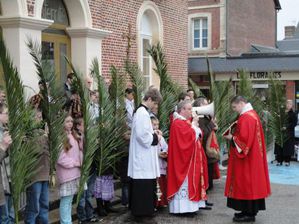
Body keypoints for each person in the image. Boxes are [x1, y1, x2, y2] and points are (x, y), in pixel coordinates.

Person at [223, 96, 271, 223]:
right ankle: (247, 211)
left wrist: (231, 138)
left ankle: (249, 213)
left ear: (241, 103)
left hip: (247, 160)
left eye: (234, 107)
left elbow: (244, 140)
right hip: (253, 157)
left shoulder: (246, 117)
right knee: (250, 184)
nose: (234, 110)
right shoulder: (252, 114)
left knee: (247, 184)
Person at [127, 88, 163, 223]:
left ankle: (145, 212)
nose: (155, 106)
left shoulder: (142, 112)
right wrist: (156, 137)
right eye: (155, 103)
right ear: (149, 99)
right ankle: (142, 214)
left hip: (143, 157)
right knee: (143, 187)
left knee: (145, 186)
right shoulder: (142, 113)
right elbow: (143, 136)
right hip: (142, 159)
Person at [167, 100, 207, 215]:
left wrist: (194, 126)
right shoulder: (178, 123)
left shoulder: (185, 122)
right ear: (182, 110)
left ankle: (191, 208)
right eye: (189, 109)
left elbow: (196, 135)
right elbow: (186, 139)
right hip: (182, 160)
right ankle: (183, 209)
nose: (191, 111)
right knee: (185, 185)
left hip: (189, 159)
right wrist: (194, 125)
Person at [24, 108, 50, 224]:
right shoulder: (27, 135)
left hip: (45, 174)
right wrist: (44, 137)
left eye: (40, 117)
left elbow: (51, 152)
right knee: (34, 207)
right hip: (34, 176)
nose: (40, 120)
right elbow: (35, 151)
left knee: (44, 205)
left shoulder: (43, 133)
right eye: (37, 118)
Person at [56, 116, 83, 224]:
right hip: (67, 173)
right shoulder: (61, 137)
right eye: (67, 121)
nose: (70, 123)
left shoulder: (72, 135)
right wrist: (75, 163)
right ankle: (66, 222)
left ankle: (68, 221)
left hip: (75, 172)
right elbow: (60, 158)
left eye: (71, 121)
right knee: (66, 200)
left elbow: (79, 150)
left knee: (70, 200)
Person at [194, 97, 220, 193]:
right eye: (205, 104)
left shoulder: (205, 118)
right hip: (204, 151)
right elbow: (203, 133)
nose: (207, 106)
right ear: (200, 106)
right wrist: (211, 125)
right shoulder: (200, 119)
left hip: (207, 152)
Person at [0, 104, 14, 223]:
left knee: (10, 214)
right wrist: (3, 147)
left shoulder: (5, 130)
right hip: (3, 181)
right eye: (6, 113)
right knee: (4, 217)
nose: (9, 116)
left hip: (9, 177)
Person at [150, 116, 168, 208]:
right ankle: (156, 203)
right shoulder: (150, 135)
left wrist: (165, 152)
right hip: (154, 163)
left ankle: (162, 202)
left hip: (161, 163)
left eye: (157, 124)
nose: (156, 127)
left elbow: (165, 146)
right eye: (154, 124)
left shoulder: (161, 136)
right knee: (156, 184)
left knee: (162, 183)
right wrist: (158, 154)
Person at [275, 99, 298, 166]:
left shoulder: (293, 114)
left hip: (289, 133)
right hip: (280, 132)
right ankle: (279, 161)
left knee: (287, 147)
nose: (288, 105)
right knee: (279, 146)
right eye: (287, 104)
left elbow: (294, 123)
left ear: (292, 105)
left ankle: (287, 161)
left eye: (290, 104)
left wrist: (286, 127)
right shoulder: (282, 113)